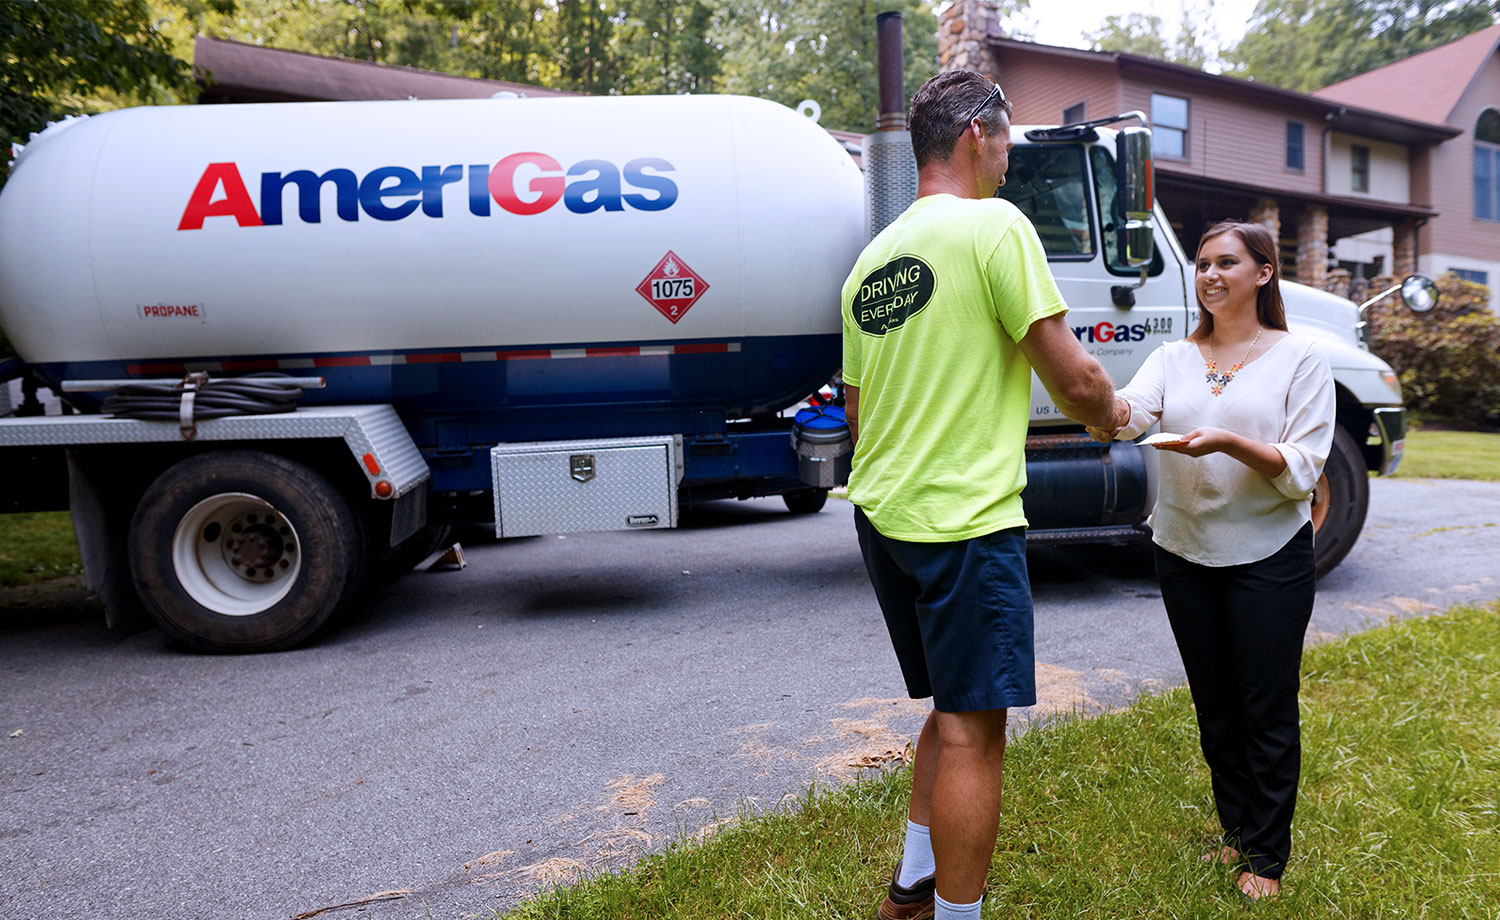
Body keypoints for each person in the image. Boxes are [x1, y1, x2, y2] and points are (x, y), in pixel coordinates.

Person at [842, 71, 1127, 920]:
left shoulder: (872, 260)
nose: (1009, 158)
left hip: (886, 518)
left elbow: (860, 413)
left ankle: (908, 892)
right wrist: (1115, 417)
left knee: (949, 709)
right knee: (974, 728)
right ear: (975, 134)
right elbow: (1074, 379)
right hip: (966, 522)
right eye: (1005, 139)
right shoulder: (995, 226)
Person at [1086, 220, 1335, 901]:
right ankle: (1236, 831)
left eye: (1226, 262)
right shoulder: (1173, 356)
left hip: (1269, 554)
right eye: (1201, 264)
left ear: (1263, 272)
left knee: (1265, 702)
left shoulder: (1302, 358)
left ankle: (1268, 855)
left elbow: (1303, 467)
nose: (1210, 275)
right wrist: (1100, 407)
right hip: (1183, 552)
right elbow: (1134, 411)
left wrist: (1225, 441)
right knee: (1215, 703)